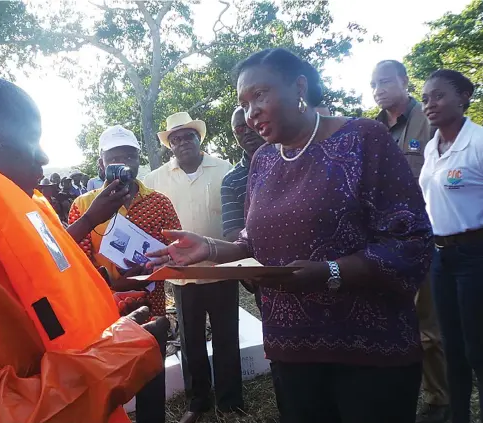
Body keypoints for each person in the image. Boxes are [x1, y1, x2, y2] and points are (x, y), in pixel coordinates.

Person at [148, 48, 434, 423]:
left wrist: (330, 272)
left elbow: (411, 243)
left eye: (259, 95)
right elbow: (254, 242)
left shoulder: (364, 138)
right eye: (244, 103)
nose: (251, 113)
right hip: (291, 348)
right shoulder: (264, 161)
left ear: (299, 86)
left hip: (369, 350)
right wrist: (213, 249)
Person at [0, 73, 167, 422]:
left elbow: (35, 312)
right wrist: (118, 357)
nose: (44, 156)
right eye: (32, 139)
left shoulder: (9, 217)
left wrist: (102, 307)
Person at [69, 124, 181, 423]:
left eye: (131, 157)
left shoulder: (159, 201)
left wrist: (158, 264)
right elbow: (76, 261)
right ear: (101, 164)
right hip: (104, 309)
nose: (125, 165)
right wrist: (115, 282)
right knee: (106, 379)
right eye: (116, 158)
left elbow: (175, 247)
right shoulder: (83, 206)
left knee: (150, 373)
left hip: (151, 304)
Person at [143, 112, 243, 423]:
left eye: (189, 136)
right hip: (182, 275)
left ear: (199, 139)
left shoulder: (225, 170)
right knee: (191, 341)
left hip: (222, 268)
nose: (183, 142)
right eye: (176, 138)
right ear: (169, 145)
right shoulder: (154, 179)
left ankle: (230, 402)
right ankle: (198, 401)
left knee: (227, 336)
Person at [372, 59, 449, 423]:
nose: (378, 89)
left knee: (429, 327)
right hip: (384, 241)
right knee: (392, 319)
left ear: (404, 82)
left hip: (428, 236)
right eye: (373, 84)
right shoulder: (372, 130)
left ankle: (438, 398)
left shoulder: (430, 121)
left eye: (386, 81)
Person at [419, 70, 483, 423]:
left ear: (463, 97)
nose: (430, 104)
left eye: (439, 96)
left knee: (477, 349)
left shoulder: (478, 143)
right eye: (426, 97)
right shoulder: (432, 146)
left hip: (475, 255)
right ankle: (459, 416)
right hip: (440, 257)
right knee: (452, 348)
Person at [221, 106, 264, 312]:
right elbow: (232, 231)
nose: (246, 132)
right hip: (263, 272)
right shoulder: (231, 179)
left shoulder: (296, 158)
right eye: (239, 129)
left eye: (248, 125)